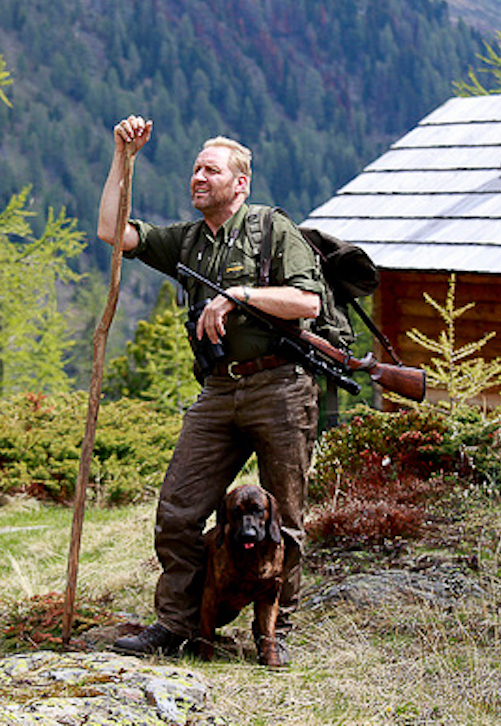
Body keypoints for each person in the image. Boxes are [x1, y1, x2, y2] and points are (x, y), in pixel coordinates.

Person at [99, 116, 323, 661]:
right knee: (178, 512)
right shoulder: (188, 242)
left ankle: (274, 632)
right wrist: (122, 158)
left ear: (239, 183)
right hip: (219, 392)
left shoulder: (273, 230)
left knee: (285, 519)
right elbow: (113, 231)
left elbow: (307, 303)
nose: (198, 177)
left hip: (281, 387)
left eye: (211, 170)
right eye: (195, 169)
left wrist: (238, 295)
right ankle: (178, 624)